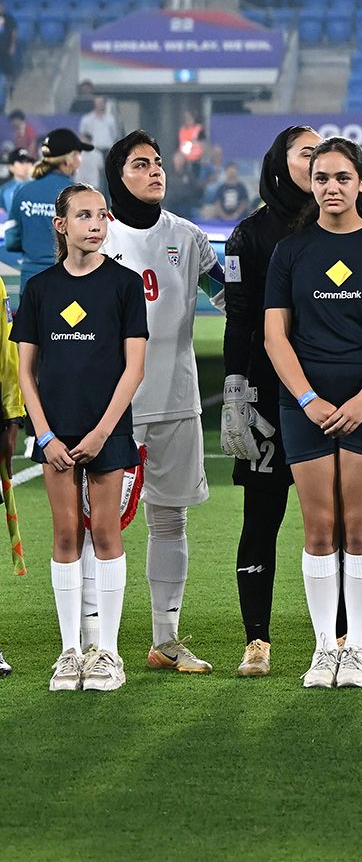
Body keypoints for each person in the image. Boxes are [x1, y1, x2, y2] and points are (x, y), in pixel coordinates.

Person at [263, 137, 362, 688]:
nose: (331, 187)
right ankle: (323, 649)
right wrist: (308, 399)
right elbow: (275, 335)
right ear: (312, 183)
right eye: (321, 177)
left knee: (359, 527)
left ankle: (356, 649)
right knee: (318, 528)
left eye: (342, 178)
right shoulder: (290, 251)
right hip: (303, 403)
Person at [97, 132, 220, 677]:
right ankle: (92, 639)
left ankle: (165, 640)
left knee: (169, 521)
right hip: (111, 409)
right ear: (117, 175)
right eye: (140, 164)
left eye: (158, 163)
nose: (155, 172)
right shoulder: (98, 236)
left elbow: (228, 295)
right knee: (97, 522)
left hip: (176, 400)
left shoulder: (189, 237)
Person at [19, 183, 149, 691]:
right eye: (84, 216)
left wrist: (101, 432)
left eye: (101, 216)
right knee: (66, 535)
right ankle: (70, 652)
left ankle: (108, 654)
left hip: (106, 430)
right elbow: (27, 372)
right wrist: (45, 434)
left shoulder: (123, 284)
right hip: (57, 433)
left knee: (107, 534)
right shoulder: (40, 289)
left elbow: (133, 368)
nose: (96, 224)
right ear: (61, 224)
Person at [217, 127, 323, 676]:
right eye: (306, 152)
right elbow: (240, 319)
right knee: (262, 515)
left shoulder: (344, 229)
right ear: (280, 165)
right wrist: (236, 388)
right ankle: (256, 639)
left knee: (332, 519)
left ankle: (341, 636)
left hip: (328, 397)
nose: (318, 159)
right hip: (265, 394)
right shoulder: (249, 236)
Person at [6, 128, 91, 287]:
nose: (80, 160)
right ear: (69, 159)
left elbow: (11, 241)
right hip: (66, 282)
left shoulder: (23, 191)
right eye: (79, 154)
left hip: (30, 282)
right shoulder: (79, 194)